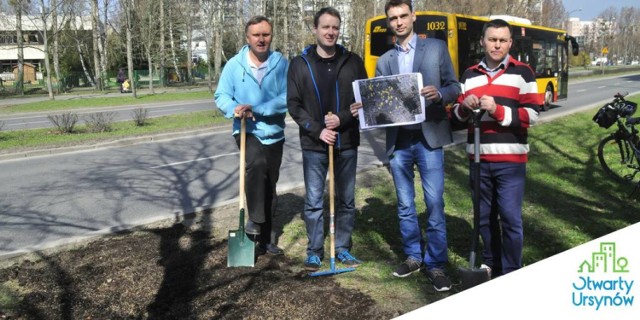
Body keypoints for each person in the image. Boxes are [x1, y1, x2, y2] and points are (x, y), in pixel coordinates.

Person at [352, 0, 460, 291]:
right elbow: (379, 103)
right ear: (388, 22)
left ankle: (435, 264)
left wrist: (439, 94)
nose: (398, 22)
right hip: (399, 142)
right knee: (405, 205)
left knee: (435, 203)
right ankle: (414, 256)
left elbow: (455, 86)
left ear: (413, 16)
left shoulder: (436, 49)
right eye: (392, 18)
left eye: (403, 16)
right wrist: (365, 107)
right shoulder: (384, 60)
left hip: (429, 139)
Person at [451, 19, 540, 277]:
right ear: (483, 41)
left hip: (510, 162)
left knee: (510, 219)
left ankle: (512, 271)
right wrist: (464, 107)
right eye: (492, 39)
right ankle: (491, 264)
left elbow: (532, 115)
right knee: (484, 218)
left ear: (510, 43)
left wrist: (498, 110)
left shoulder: (523, 73)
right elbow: (455, 119)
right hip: (478, 160)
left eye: (502, 40)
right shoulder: (469, 75)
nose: (497, 45)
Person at [287, 7, 367, 271]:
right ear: (315, 29)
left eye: (335, 27)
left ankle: (342, 248)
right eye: (326, 27)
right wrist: (318, 128)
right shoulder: (300, 64)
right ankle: (314, 251)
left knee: (345, 199)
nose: (331, 32)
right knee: (312, 202)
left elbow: (363, 100)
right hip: (314, 144)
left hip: (346, 143)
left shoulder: (353, 61)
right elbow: (294, 105)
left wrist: (342, 118)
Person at [214, 15, 289, 256]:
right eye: (256, 35)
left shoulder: (281, 64)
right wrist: (233, 108)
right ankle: (254, 222)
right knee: (256, 164)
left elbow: (288, 98)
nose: (261, 39)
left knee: (269, 184)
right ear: (247, 38)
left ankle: (265, 240)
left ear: (271, 36)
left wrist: (259, 108)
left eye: (265, 34)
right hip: (247, 131)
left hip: (274, 134)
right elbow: (221, 96)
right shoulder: (234, 66)